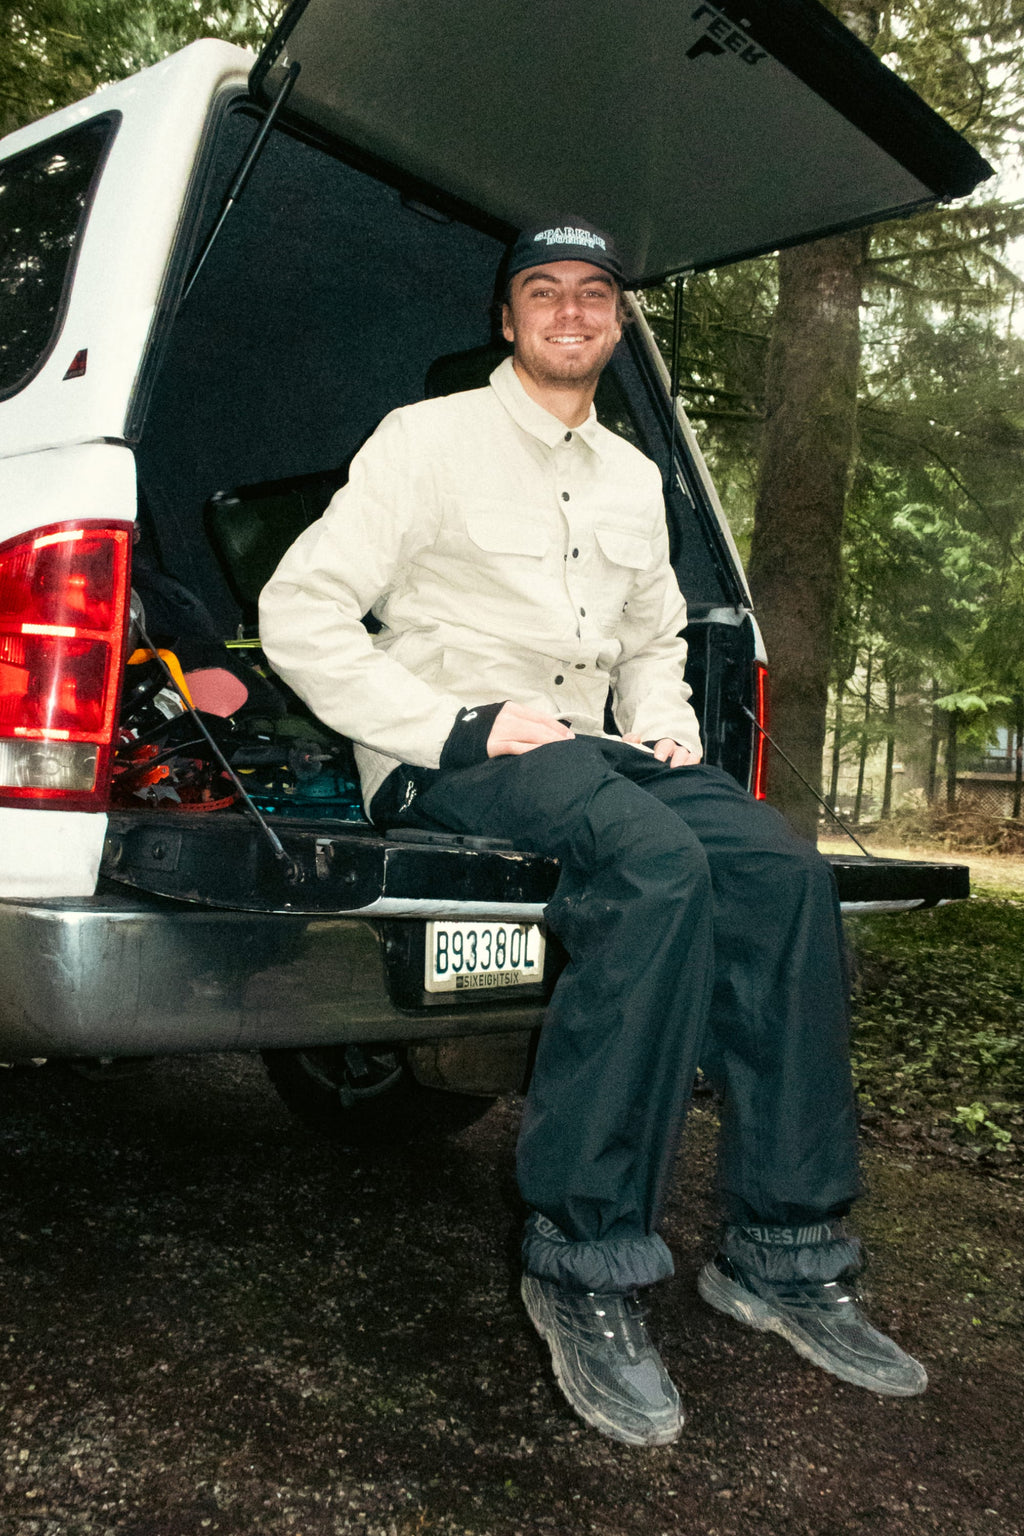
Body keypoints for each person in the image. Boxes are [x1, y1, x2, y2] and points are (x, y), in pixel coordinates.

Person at [258, 219, 927, 1446]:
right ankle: (584, 1259)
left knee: (784, 876)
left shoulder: (630, 477)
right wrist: (449, 727)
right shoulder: (426, 439)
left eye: (592, 295)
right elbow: (298, 610)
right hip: (451, 750)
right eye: (543, 291)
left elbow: (653, 640)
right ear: (506, 317)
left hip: (594, 748)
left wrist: (665, 729)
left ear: (616, 324)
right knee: (656, 869)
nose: (569, 311)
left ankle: (784, 1249)